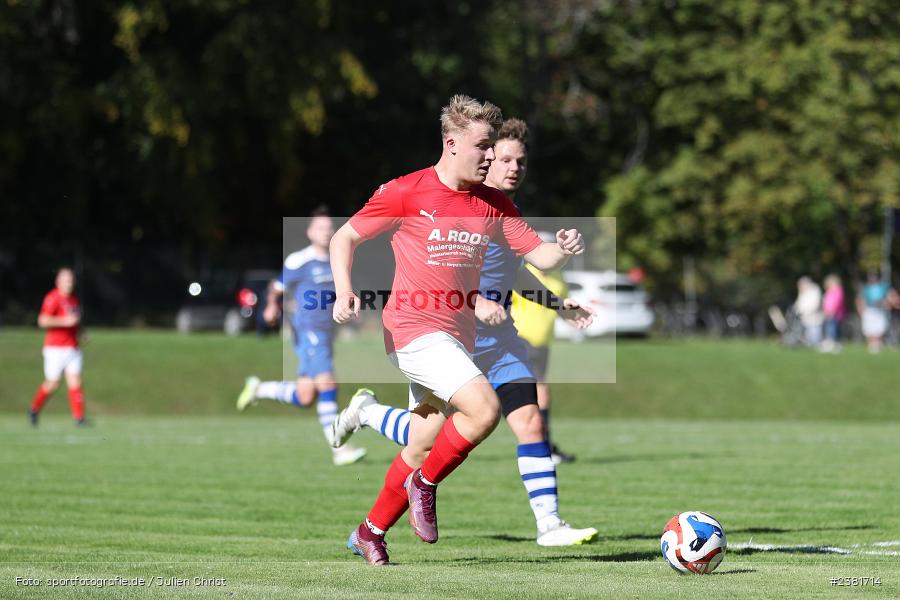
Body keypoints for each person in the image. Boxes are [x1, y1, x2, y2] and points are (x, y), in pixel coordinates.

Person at [330, 95, 583, 565]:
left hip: (455, 336)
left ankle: (370, 531)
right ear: (452, 144)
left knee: (421, 442)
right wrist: (345, 290)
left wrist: (564, 247)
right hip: (411, 328)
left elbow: (542, 258)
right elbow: (345, 236)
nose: (491, 156)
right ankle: (424, 486)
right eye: (484, 146)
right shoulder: (408, 191)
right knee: (483, 410)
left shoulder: (493, 204)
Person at [236, 208, 366, 466]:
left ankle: (259, 388)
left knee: (306, 396)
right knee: (328, 385)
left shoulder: (337, 257)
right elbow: (275, 287)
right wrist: (272, 305)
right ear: (309, 232)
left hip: (327, 333)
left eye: (329, 227)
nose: (326, 231)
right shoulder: (299, 260)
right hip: (308, 331)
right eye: (320, 228)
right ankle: (339, 450)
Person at [509, 249, 575, 464]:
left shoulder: (558, 278)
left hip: (542, 344)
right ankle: (544, 447)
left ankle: (542, 444)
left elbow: (559, 305)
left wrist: (572, 314)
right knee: (541, 392)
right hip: (521, 339)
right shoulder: (523, 274)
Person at [29, 267, 87, 426]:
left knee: (75, 381)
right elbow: (42, 320)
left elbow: (74, 321)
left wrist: (81, 332)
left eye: (71, 279)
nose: (70, 283)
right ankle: (34, 409)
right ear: (58, 281)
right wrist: (64, 322)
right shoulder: (52, 298)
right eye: (67, 279)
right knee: (53, 383)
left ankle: (79, 418)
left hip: (72, 347)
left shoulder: (74, 300)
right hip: (55, 348)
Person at [857, 271, 900, 354]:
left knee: (879, 328)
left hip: (880, 310)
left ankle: (877, 344)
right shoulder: (866, 288)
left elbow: (891, 296)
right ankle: (872, 344)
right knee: (869, 328)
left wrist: (890, 303)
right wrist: (861, 308)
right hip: (869, 309)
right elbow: (861, 299)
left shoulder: (883, 287)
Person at [793, 276, 823, 348]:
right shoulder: (803, 292)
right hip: (803, 318)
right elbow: (798, 304)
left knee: (814, 338)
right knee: (806, 338)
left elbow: (815, 305)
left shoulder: (815, 291)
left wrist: (804, 312)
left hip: (814, 319)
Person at [820, 274, 845, 353]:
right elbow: (826, 302)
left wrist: (832, 311)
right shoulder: (829, 291)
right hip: (828, 314)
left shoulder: (838, 291)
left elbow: (837, 303)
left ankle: (835, 344)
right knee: (829, 329)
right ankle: (829, 343)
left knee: (833, 329)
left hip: (835, 314)